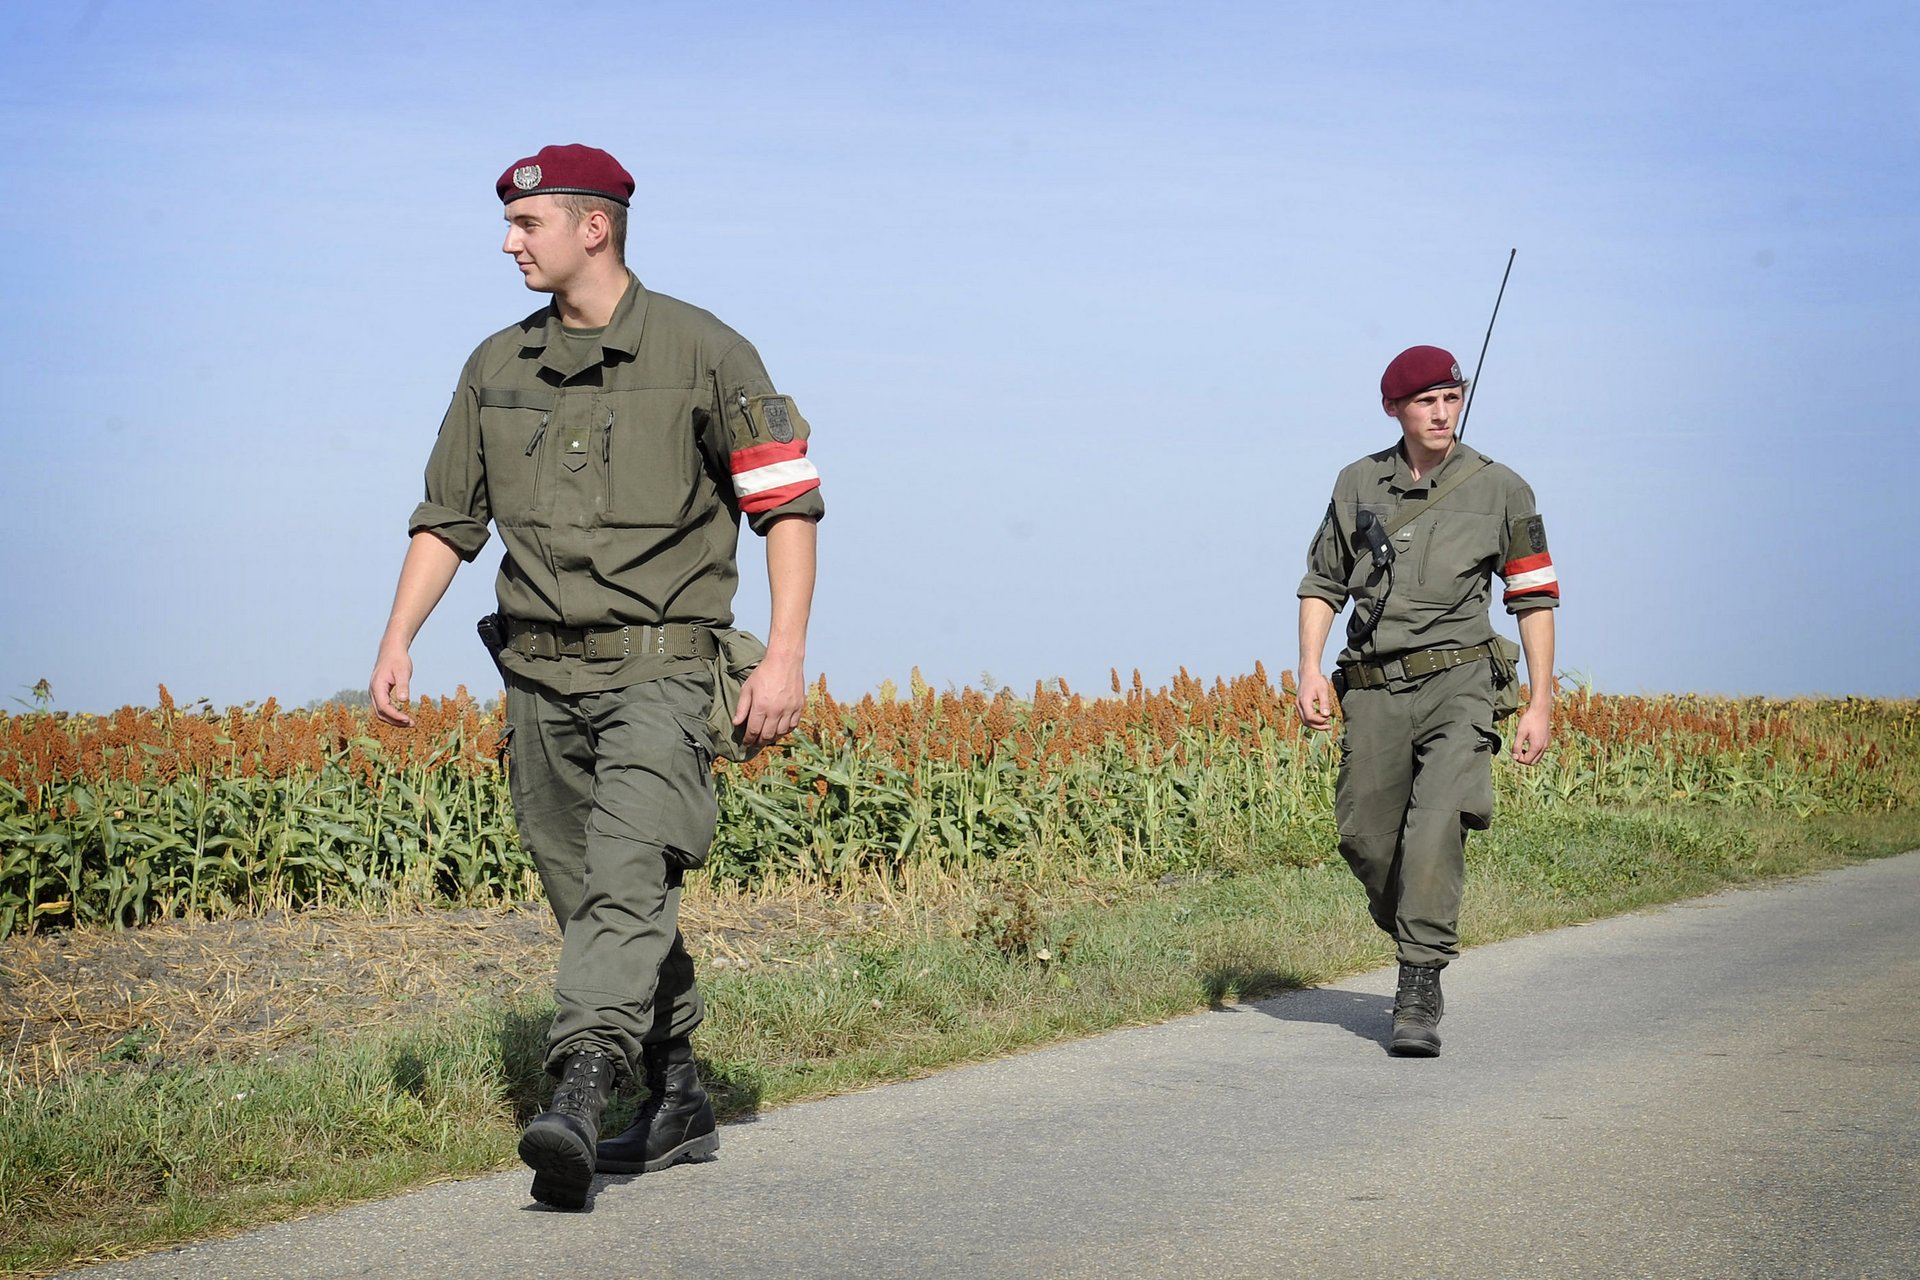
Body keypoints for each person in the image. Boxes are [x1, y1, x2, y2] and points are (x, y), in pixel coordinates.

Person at [369, 143, 824, 1209]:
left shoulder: (708, 352)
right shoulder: (494, 366)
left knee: (625, 870)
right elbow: (450, 519)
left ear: (595, 228)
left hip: (663, 667)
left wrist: (787, 653)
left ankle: (579, 1084)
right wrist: (396, 637)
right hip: (537, 674)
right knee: (588, 888)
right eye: (511, 225)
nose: (509, 241)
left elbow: (786, 505)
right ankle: (676, 1091)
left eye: (529, 224)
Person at [1294, 344, 1556, 1057]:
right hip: (1374, 684)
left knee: (1437, 824)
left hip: (1460, 682)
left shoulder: (1503, 488)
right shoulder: (1357, 482)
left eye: (1452, 398)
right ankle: (1418, 928)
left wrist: (1540, 700)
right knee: (1364, 834)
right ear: (1395, 410)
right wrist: (1310, 669)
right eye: (1426, 402)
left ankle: (1418, 982)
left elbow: (1533, 597)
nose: (1442, 413)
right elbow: (1322, 582)